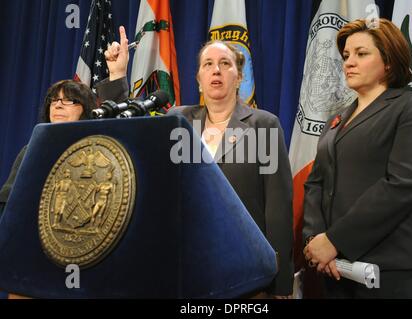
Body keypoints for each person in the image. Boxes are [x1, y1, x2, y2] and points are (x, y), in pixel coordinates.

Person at [101, 29, 294, 297]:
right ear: (199, 80)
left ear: (238, 78)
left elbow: (278, 208)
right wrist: (117, 74)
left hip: (245, 271)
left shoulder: (264, 125)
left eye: (225, 64)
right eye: (208, 64)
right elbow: (133, 131)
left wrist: (280, 281)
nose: (216, 70)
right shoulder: (178, 121)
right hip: (184, 266)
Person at [302, 18, 412, 298]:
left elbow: (403, 184)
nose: (349, 62)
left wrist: (335, 240)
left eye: (361, 53)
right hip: (335, 269)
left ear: (388, 61)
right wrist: (316, 241)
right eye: (346, 55)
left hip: (392, 270)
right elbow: (315, 184)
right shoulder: (335, 119)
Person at [0, 26, 130, 215]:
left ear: (86, 109)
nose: (58, 105)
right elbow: (7, 202)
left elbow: (117, 129)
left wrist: (117, 75)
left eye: (69, 100)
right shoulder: (32, 149)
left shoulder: (95, 148)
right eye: (54, 100)